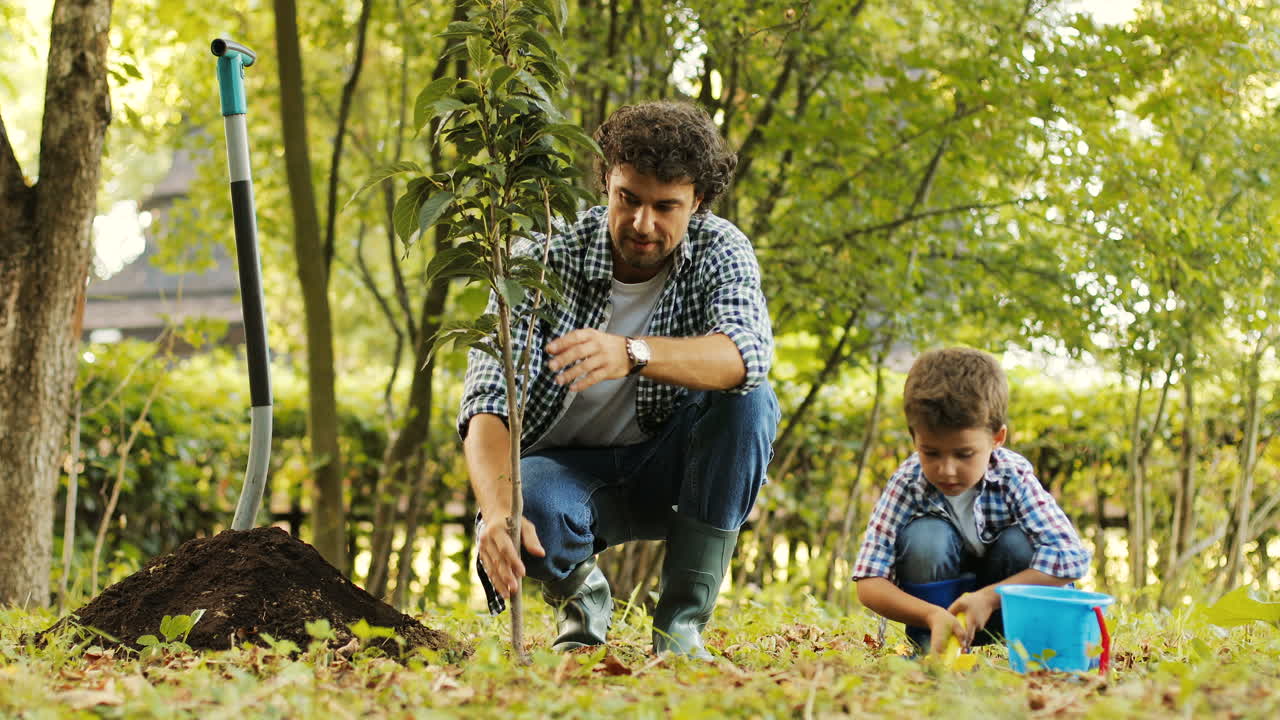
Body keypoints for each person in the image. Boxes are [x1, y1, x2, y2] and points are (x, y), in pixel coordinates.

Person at [458, 101, 780, 658]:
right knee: (520, 505)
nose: (642, 224)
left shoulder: (720, 248)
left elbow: (746, 353)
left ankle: (680, 626)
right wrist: (499, 510)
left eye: (665, 207)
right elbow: (488, 394)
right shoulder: (542, 256)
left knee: (751, 401)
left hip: (670, 469)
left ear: (697, 202)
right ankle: (584, 600)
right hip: (562, 476)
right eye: (628, 198)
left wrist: (632, 352)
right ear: (606, 179)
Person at [851, 347, 1090, 655]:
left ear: (997, 439)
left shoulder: (1011, 476)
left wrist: (989, 597)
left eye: (964, 454)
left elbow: (1071, 557)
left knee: (1020, 543)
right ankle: (934, 652)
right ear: (914, 438)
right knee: (926, 536)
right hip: (941, 620)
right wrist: (931, 614)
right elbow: (869, 580)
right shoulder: (907, 483)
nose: (946, 470)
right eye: (931, 452)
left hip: (1009, 614)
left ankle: (1032, 650)